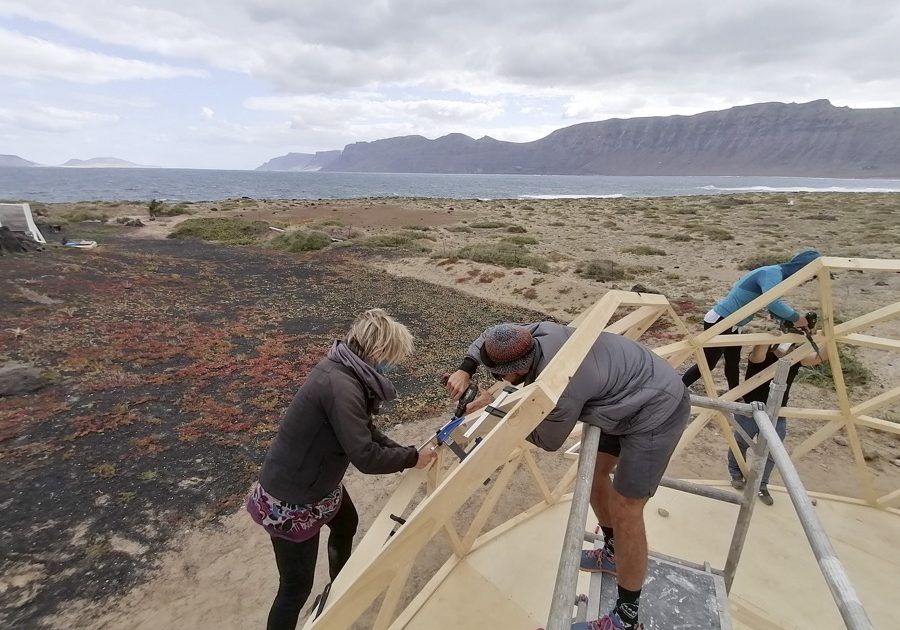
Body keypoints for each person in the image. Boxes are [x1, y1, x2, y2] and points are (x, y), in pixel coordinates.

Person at [446, 323, 690, 630]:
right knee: (594, 475)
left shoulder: (562, 384)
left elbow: (548, 440)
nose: (497, 381)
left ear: (517, 370)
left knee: (627, 507)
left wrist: (496, 408)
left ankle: (628, 618)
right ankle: (614, 553)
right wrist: (466, 368)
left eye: (499, 376)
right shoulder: (533, 333)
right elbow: (488, 335)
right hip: (624, 392)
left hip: (655, 410)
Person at [247, 309, 436, 630]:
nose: (392, 365)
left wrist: (408, 453)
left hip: (318, 484)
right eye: (392, 357)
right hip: (292, 498)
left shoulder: (345, 369)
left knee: (346, 522)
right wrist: (409, 459)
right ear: (378, 352)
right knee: (295, 589)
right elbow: (364, 455)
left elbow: (365, 430)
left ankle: (340, 589)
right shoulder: (342, 385)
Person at [682, 249, 822, 390]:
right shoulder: (773, 273)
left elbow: (771, 307)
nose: (809, 280)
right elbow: (772, 302)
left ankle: (734, 395)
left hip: (734, 323)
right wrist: (796, 318)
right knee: (708, 363)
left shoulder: (776, 275)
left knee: (733, 362)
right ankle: (678, 387)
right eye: (812, 276)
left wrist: (792, 321)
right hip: (721, 320)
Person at [728, 338, 827, 505]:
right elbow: (760, 351)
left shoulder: (795, 360)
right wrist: (778, 335)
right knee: (740, 443)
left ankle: (761, 485)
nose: (790, 348)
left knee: (773, 452)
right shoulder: (760, 356)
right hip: (751, 411)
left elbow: (820, 357)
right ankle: (736, 474)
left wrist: (830, 339)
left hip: (777, 413)